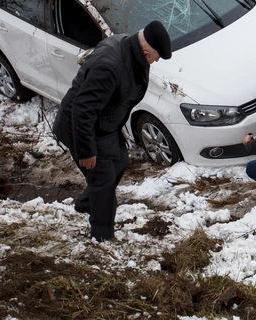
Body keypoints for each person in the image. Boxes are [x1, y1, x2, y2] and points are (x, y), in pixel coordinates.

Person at [53, 20, 172, 241]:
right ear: (146, 51)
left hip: (104, 125)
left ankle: (87, 203)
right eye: (156, 57)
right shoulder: (110, 66)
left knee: (119, 161)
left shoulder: (129, 47)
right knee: (103, 180)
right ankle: (102, 238)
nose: (155, 62)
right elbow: (82, 109)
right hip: (81, 127)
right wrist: (86, 151)